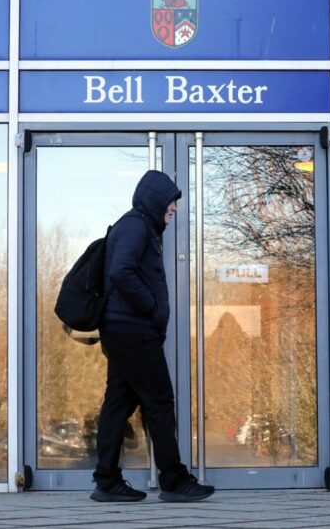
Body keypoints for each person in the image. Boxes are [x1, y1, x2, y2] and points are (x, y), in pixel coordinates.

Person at [91, 169, 215, 503]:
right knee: (159, 401)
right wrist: (152, 308)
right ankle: (173, 479)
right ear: (155, 201)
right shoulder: (135, 226)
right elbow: (121, 271)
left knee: (119, 403)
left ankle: (107, 480)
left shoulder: (139, 226)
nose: (172, 215)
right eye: (170, 208)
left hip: (125, 331)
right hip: (133, 332)